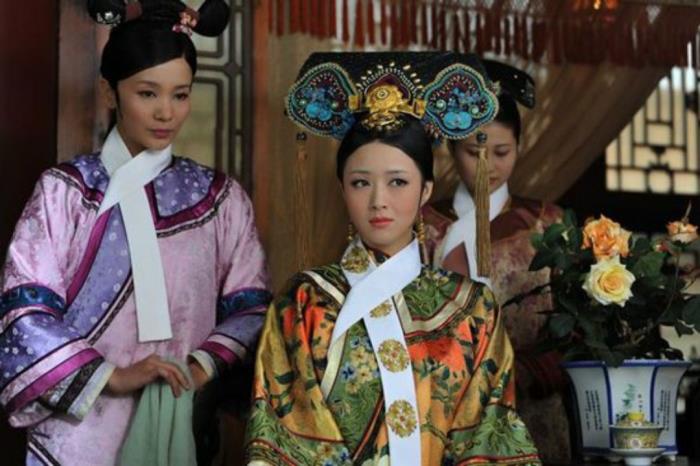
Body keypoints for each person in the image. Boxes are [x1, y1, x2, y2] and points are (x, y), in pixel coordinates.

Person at [0, 2, 270, 464]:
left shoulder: (221, 199)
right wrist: (113, 375)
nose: (166, 112)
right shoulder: (65, 192)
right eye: (147, 93)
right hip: (79, 433)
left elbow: (252, 307)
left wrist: (200, 366)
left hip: (181, 417)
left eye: (180, 95)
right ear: (110, 92)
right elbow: (24, 310)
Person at [244, 52, 540, 466]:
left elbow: (490, 436)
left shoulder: (474, 308)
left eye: (398, 182)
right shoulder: (304, 303)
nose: (378, 201)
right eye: (360, 183)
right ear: (342, 189)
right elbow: (284, 434)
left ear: (425, 190)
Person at [423, 59, 571, 463]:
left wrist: (528, 371)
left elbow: (578, 324)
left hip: (534, 406)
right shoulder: (425, 226)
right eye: (474, 153)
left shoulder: (548, 224)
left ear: (520, 147)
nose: (488, 166)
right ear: (452, 149)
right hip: (446, 406)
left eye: (502, 152)